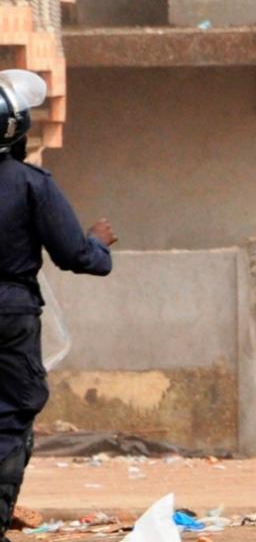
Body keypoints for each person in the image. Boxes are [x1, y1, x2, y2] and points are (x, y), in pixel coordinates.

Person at [0, 69, 115, 532]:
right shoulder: (31, 184)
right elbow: (78, 257)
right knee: (10, 415)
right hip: (11, 314)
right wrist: (99, 241)